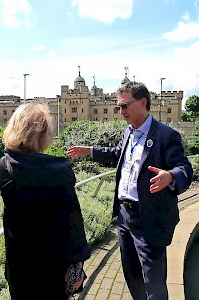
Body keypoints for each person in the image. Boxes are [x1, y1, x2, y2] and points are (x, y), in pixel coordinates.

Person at [67, 81, 193, 300]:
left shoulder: (165, 135)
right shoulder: (129, 132)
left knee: (153, 282)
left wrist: (171, 176)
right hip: (125, 218)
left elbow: (185, 169)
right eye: (118, 107)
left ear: (143, 102)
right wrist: (90, 150)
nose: (120, 111)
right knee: (131, 274)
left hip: (149, 218)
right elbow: (118, 154)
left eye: (125, 106)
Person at [0, 102, 90, 300]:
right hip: (55, 264)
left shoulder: (4, 167)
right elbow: (73, 219)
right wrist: (77, 264)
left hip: (20, 264)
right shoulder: (61, 171)